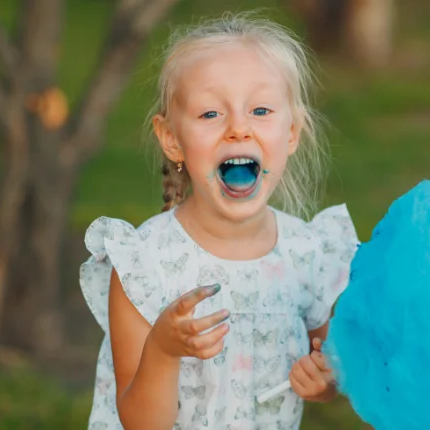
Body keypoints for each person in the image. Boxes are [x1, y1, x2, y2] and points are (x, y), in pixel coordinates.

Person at [79, 11, 359, 430]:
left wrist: (323, 381)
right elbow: (140, 423)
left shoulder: (309, 254)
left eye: (261, 109)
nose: (238, 129)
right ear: (172, 138)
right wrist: (163, 349)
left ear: (291, 133)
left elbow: (326, 364)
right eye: (211, 114)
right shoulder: (143, 264)